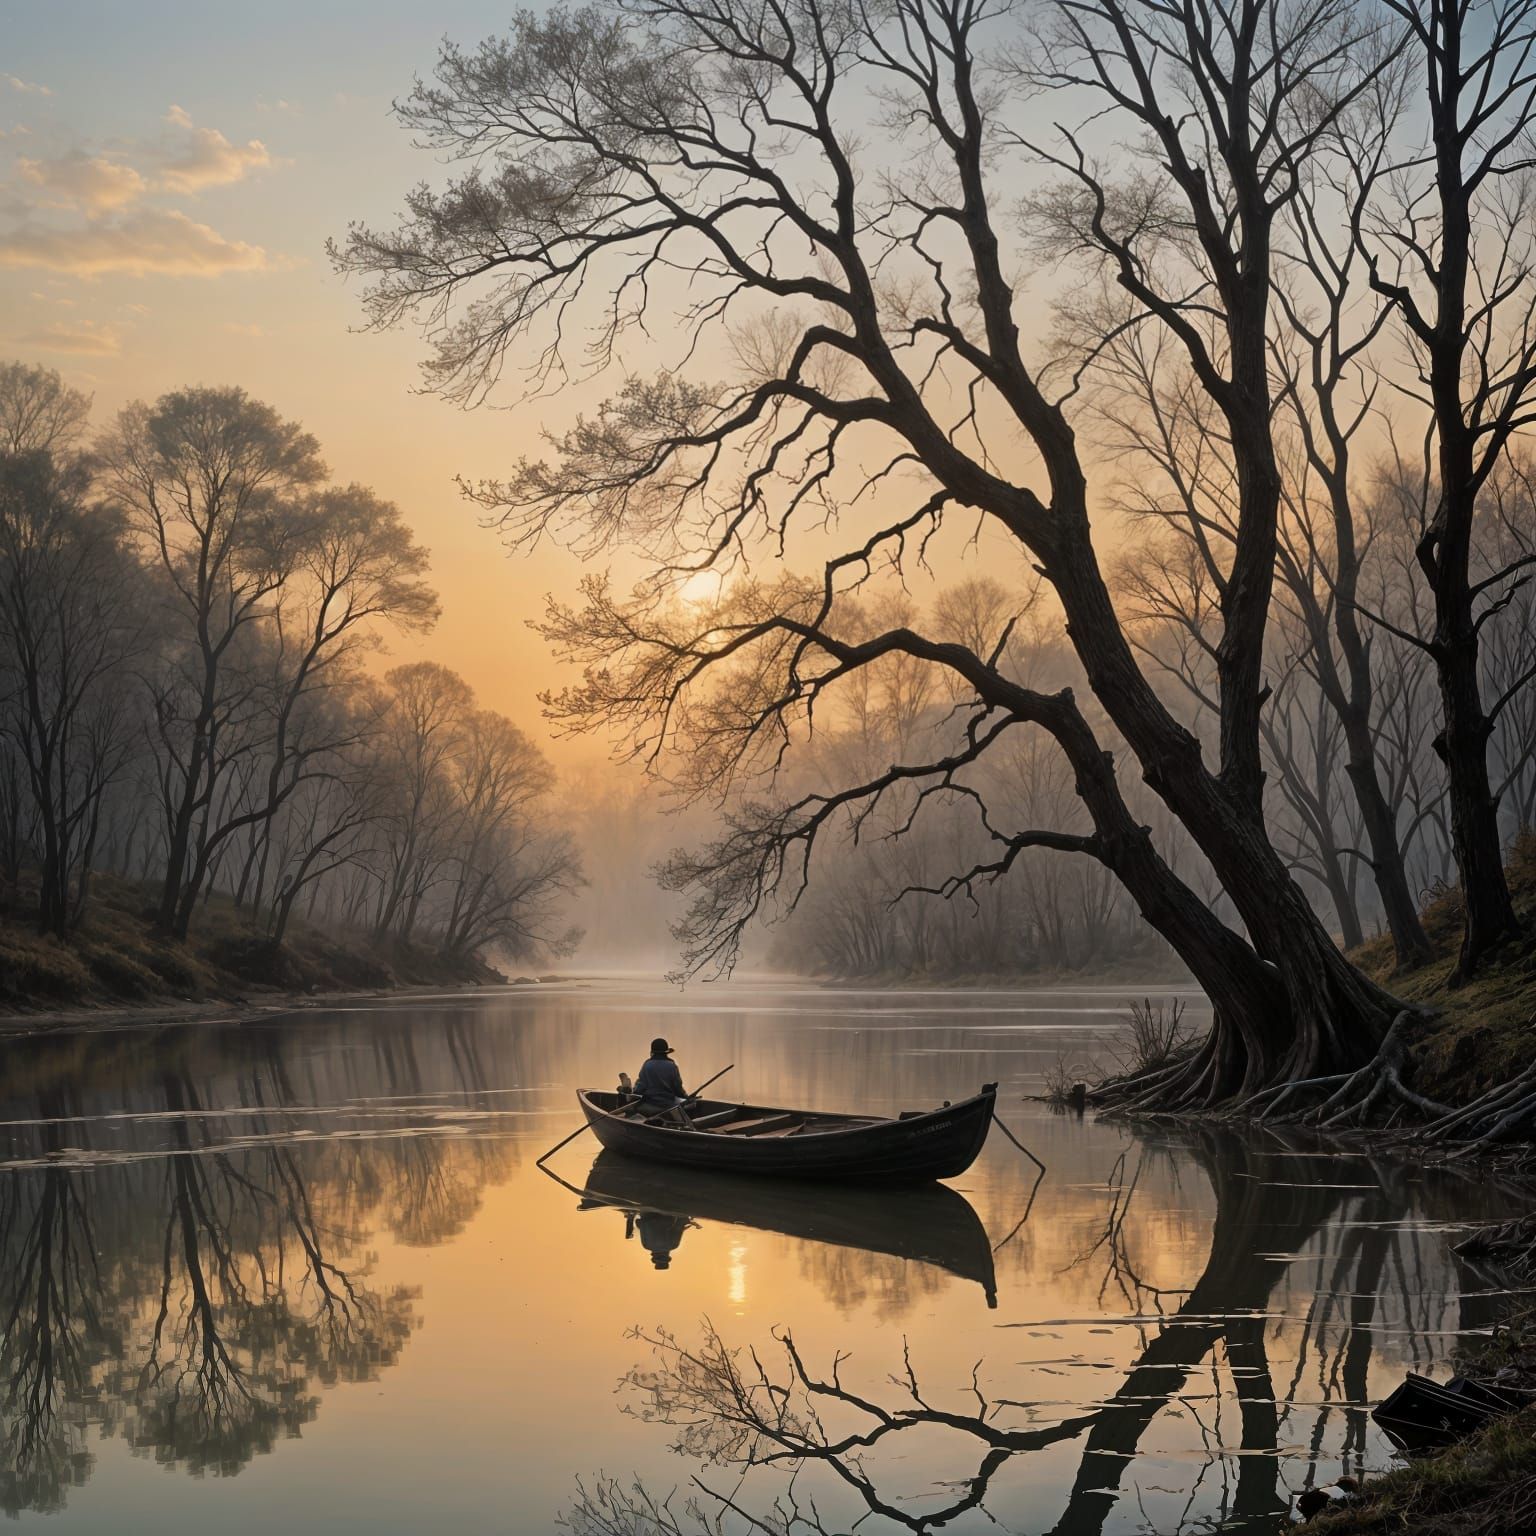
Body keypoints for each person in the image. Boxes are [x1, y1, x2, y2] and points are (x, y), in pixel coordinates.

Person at [635, 1037, 686, 1112]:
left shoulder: (647, 1065)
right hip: (668, 1106)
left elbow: (640, 1088)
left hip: (650, 1105)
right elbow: (678, 1088)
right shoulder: (672, 1065)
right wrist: (686, 1097)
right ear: (666, 1053)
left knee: (635, 1108)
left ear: (652, 1052)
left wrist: (633, 1092)